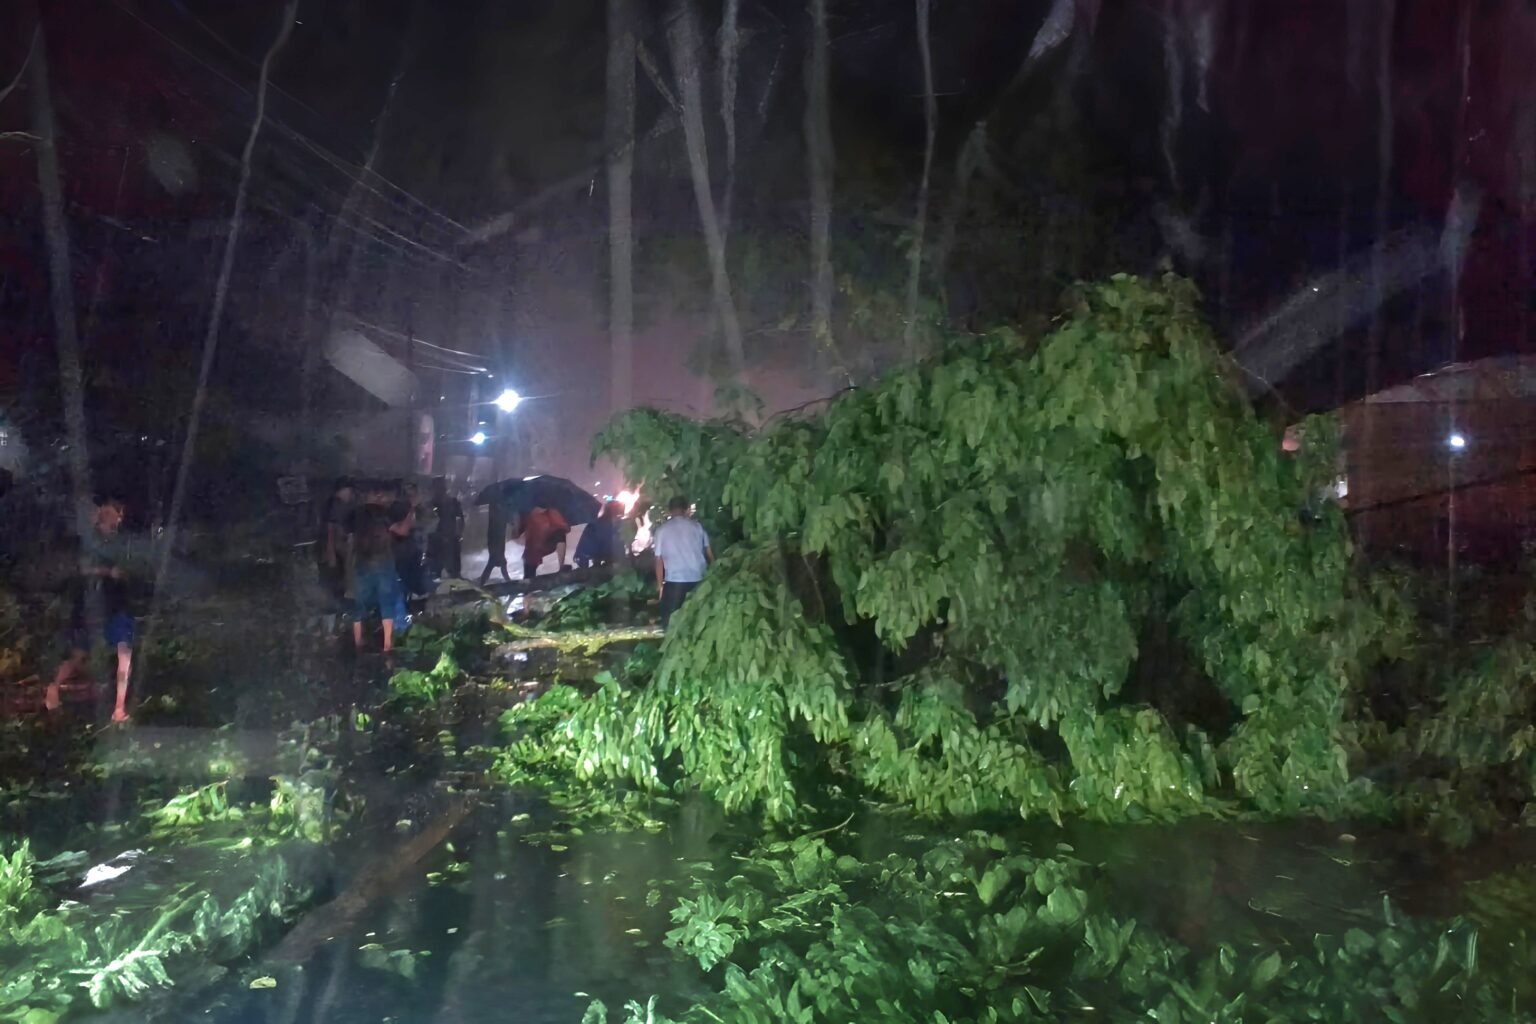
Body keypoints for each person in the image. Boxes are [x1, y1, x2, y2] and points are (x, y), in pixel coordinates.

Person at [45, 497, 136, 722]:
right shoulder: (90, 540)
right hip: (92, 606)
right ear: (101, 515)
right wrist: (108, 572)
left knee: (124, 653)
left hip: (118, 605)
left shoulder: (122, 542)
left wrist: (127, 574)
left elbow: (128, 567)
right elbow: (83, 568)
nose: (114, 519)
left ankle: (119, 709)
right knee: (78, 656)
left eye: (117, 515)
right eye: (110, 514)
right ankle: (53, 687)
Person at [351, 496, 406, 653]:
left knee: (359, 605)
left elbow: (350, 541)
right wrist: (411, 511)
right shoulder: (383, 516)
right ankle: (387, 645)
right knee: (386, 603)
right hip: (383, 564)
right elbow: (402, 530)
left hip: (362, 565)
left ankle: (358, 643)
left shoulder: (357, 516)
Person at [653, 495, 713, 627]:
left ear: (669, 510)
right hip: (699, 579)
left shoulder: (662, 530)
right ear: (686, 510)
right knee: (697, 621)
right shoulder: (697, 527)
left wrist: (660, 587)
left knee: (671, 624)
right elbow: (709, 553)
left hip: (675, 582)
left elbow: (659, 560)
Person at [317, 477, 355, 603]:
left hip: (338, 547)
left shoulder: (340, 504)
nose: (350, 494)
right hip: (334, 547)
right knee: (333, 576)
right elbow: (331, 527)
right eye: (348, 491)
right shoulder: (336, 505)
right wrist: (331, 551)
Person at [519, 505, 570, 580]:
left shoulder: (552, 514)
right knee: (529, 568)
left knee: (559, 534)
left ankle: (561, 567)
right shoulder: (532, 517)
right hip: (534, 549)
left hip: (544, 543)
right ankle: (529, 580)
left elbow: (561, 531)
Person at [428, 477, 464, 578]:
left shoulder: (453, 502)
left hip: (449, 541)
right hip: (438, 542)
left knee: (453, 573)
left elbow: (460, 520)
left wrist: (458, 536)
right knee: (436, 573)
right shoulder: (432, 504)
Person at [574, 500, 625, 569]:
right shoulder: (621, 524)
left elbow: (584, 545)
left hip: (598, 555)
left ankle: (597, 563)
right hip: (609, 555)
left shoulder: (595, 524)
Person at [478, 500, 511, 584]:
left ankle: (482, 582)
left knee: (494, 564)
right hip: (497, 545)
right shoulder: (497, 513)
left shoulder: (496, 512)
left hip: (496, 544)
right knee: (496, 563)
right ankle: (509, 582)